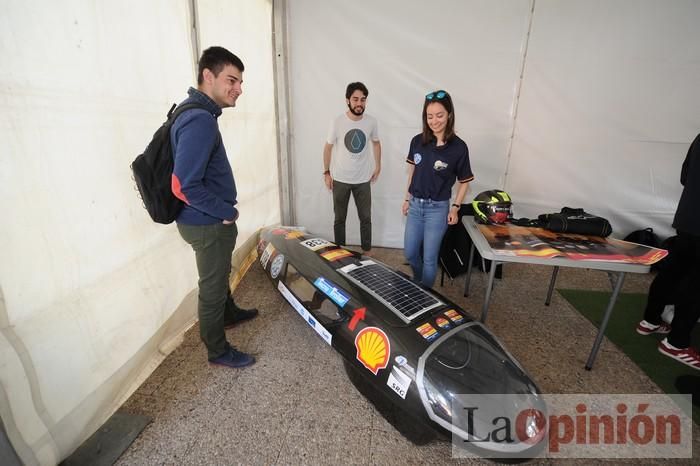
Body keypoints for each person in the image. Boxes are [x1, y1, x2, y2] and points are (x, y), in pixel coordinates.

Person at [171, 46, 258, 369]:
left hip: (206, 218)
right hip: (207, 221)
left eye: (240, 82)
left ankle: (229, 312)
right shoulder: (199, 120)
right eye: (231, 80)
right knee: (210, 286)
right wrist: (226, 212)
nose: (238, 89)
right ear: (208, 76)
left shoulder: (196, 113)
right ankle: (217, 350)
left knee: (220, 272)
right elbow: (183, 185)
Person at [636, 132, 700, 370]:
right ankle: (677, 343)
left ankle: (650, 320)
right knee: (695, 285)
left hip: (687, 217)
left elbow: (685, 177)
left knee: (673, 271)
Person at [402, 90, 474, 287]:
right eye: (430, 116)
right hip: (416, 206)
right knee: (410, 252)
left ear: (449, 114)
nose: (434, 121)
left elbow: (465, 180)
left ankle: (425, 295)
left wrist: (455, 207)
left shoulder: (459, 148)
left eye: (440, 115)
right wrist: (407, 199)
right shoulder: (418, 141)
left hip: (438, 209)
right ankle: (418, 282)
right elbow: (412, 173)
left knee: (430, 258)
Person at [323, 82, 381, 256]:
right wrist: (326, 172)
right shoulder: (338, 121)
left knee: (366, 218)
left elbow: (376, 143)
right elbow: (328, 147)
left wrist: (378, 165)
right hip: (340, 179)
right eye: (355, 99)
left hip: (363, 180)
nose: (359, 104)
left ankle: (367, 253)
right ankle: (340, 253)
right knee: (339, 219)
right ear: (347, 100)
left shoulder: (371, 121)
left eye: (363, 100)